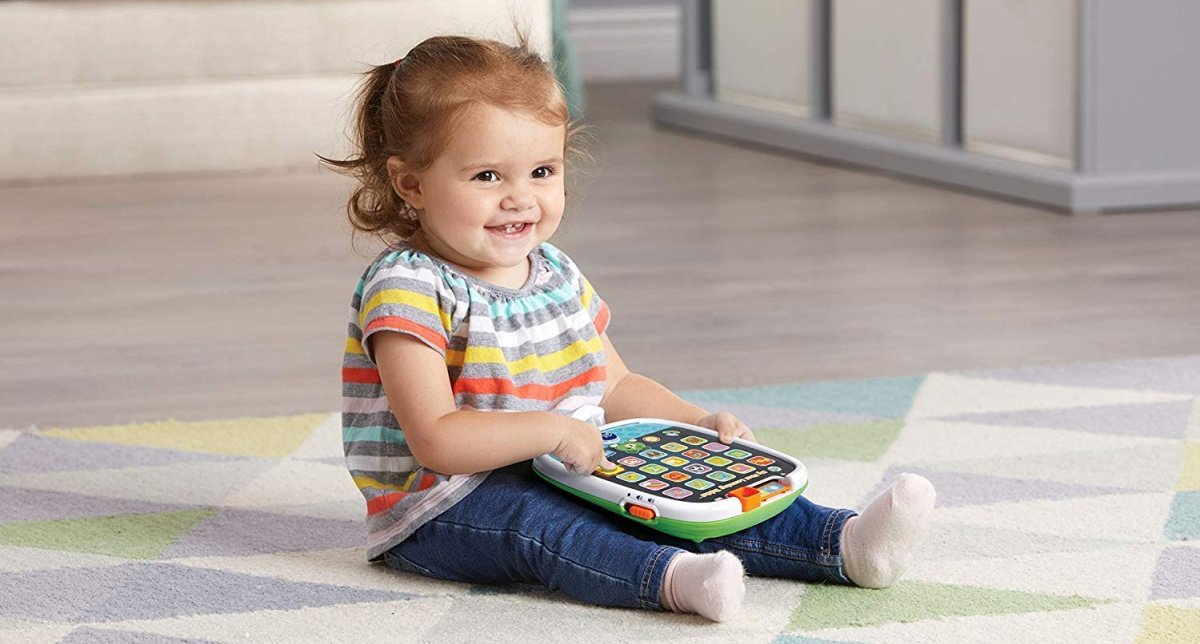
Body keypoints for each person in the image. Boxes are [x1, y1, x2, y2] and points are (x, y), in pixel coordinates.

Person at [322, 33, 936, 623]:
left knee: (684, 492)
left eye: (541, 171)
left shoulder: (555, 272)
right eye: (487, 176)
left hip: (563, 462)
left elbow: (612, 387)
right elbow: (437, 440)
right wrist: (555, 432)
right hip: (444, 507)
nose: (520, 198)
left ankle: (844, 543)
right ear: (410, 184)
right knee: (543, 524)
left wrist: (693, 422)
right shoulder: (409, 286)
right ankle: (669, 580)